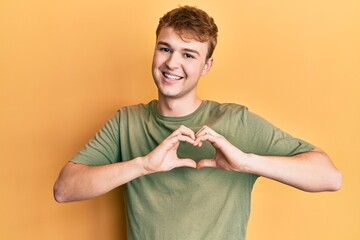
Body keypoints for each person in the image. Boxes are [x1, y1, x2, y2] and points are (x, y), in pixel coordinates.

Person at [54, 5, 342, 240]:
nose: (171, 64)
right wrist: (143, 165)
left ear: (206, 66)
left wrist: (246, 162)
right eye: (165, 49)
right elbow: (64, 190)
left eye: (188, 55)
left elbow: (330, 177)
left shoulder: (235, 121)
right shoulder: (126, 122)